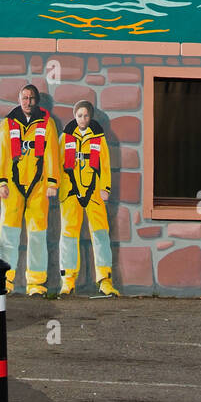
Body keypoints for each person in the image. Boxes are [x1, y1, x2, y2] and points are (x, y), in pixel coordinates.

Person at [0, 83, 58, 296]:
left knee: (37, 234)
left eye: (31, 98)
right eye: (24, 97)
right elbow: (1, 153)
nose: (27, 102)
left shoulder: (47, 124)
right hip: (13, 186)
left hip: (38, 187)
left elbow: (52, 155)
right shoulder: (8, 123)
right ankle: (5, 281)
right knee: (9, 234)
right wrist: (1, 182)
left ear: (36, 100)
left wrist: (51, 183)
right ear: (19, 99)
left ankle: (36, 284)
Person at [58, 99, 119, 297]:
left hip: (94, 192)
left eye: (85, 115)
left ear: (90, 116)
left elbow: (105, 164)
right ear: (74, 116)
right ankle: (68, 280)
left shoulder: (98, 138)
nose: (82, 119)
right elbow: (59, 164)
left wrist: (105, 188)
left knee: (100, 234)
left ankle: (105, 280)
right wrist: (58, 188)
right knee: (68, 234)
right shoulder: (65, 137)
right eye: (79, 115)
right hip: (70, 192)